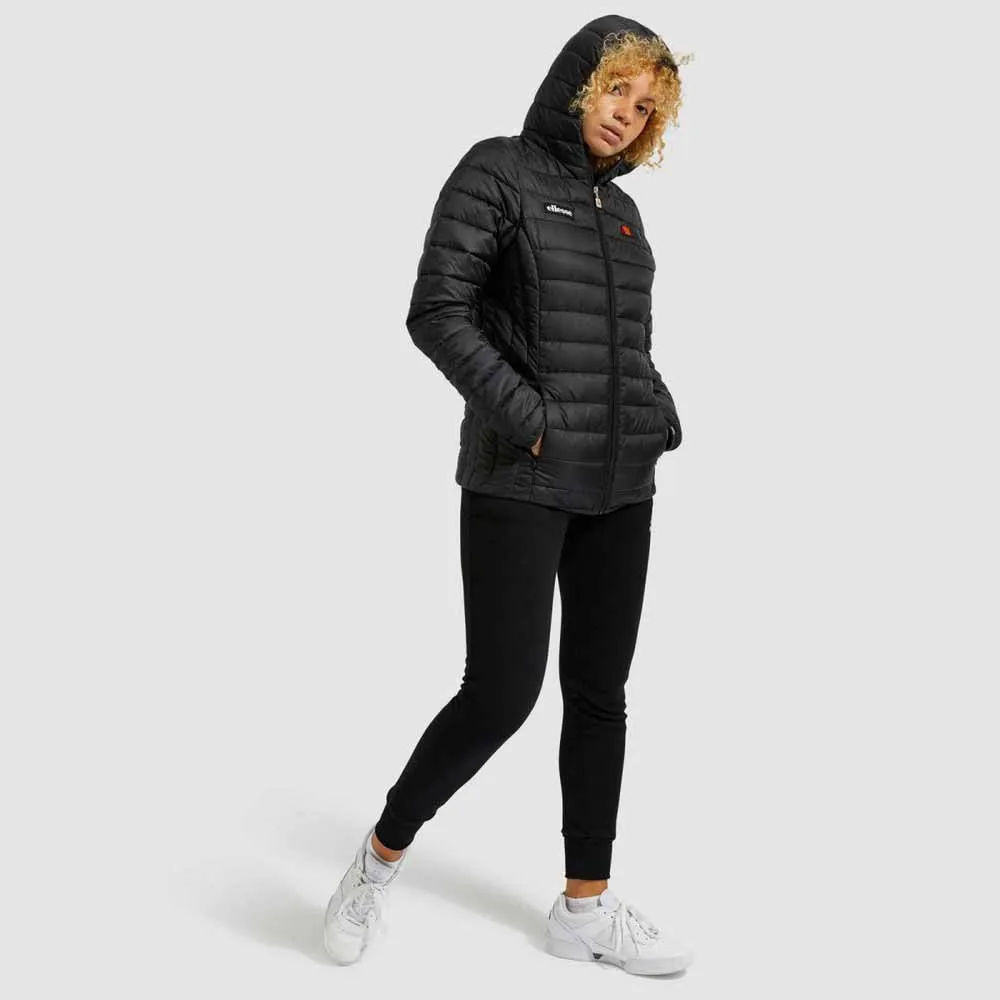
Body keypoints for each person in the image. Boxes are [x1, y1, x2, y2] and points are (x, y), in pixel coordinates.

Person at [324, 14, 694, 975]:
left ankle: (585, 908)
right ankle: (376, 860)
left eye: (645, 107)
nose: (626, 115)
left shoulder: (625, 216)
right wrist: (530, 420)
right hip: (521, 478)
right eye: (617, 89)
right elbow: (436, 311)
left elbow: (629, 347)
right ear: (580, 81)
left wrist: (656, 412)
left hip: (623, 487)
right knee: (501, 693)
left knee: (601, 696)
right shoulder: (496, 171)